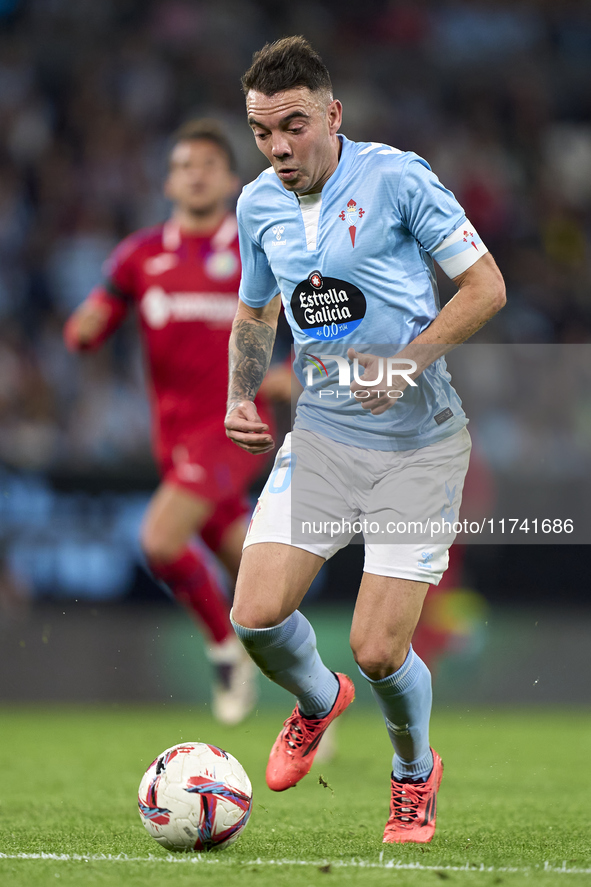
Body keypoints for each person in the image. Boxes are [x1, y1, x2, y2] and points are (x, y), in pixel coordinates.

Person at [224, 37, 505, 843]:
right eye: (262, 131)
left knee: (379, 649)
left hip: (417, 444)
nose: (278, 147)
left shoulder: (395, 177)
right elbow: (255, 311)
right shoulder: (256, 206)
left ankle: (413, 772)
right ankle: (318, 700)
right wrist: (241, 394)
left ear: (332, 114)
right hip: (322, 437)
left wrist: (410, 361)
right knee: (254, 614)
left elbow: (485, 286)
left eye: (294, 125)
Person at [64, 119, 276, 725]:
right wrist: (83, 330)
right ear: (169, 181)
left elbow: (302, 316)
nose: (197, 173)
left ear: (232, 181)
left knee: (159, 540)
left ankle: (222, 649)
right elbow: (93, 319)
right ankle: (313, 697)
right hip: (174, 439)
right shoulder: (140, 256)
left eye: (209, 164)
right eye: (186, 164)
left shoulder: (254, 251)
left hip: (236, 428)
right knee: (255, 578)